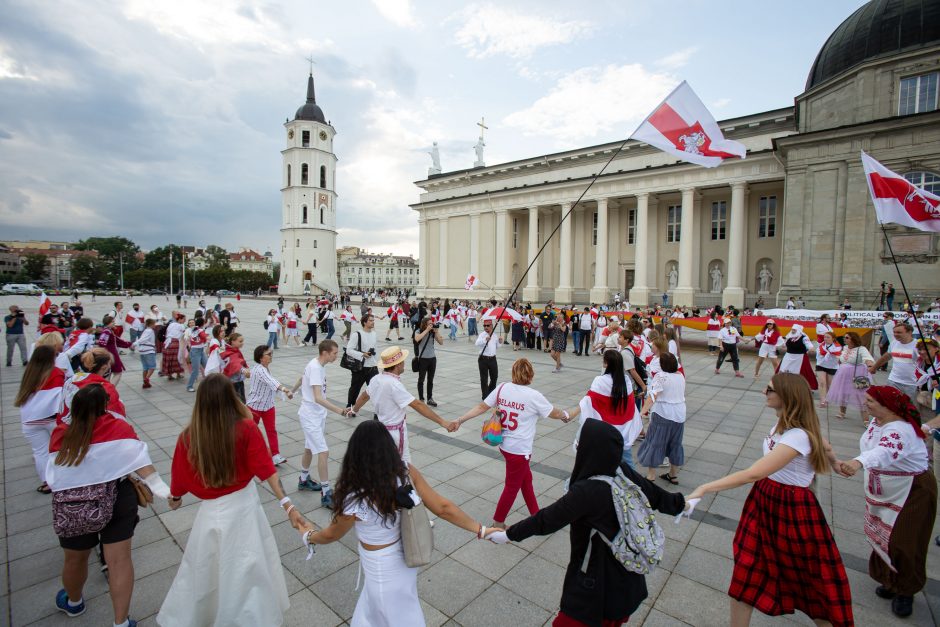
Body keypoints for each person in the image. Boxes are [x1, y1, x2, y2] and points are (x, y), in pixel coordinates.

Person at [687, 373, 853, 627]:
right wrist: (835, 462)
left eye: (770, 389)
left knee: (812, 580)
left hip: (792, 508)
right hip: (766, 500)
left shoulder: (798, 435)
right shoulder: (784, 425)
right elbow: (826, 445)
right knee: (747, 567)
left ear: (787, 396)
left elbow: (753, 473)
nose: (765, 393)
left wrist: (705, 487)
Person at [298, 421, 496, 627]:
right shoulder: (404, 471)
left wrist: (309, 535)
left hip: (381, 568)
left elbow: (332, 534)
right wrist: (481, 529)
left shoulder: (355, 493)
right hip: (404, 557)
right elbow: (442, 507)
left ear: (354, 454)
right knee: (386, 611)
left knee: (391, 615)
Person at [490, 419, 687, 626]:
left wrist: (507, 535)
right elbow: (653, 493)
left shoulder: (588, 491)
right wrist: (681, 504)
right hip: (627, 583)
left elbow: (547, 519)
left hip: (595, 587)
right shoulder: (619, 469)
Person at [158, 375, 304, 626]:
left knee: (205, 569)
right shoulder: (245, 427)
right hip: (244, 508)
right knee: (248, 566)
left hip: (210, 512)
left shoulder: (189, 436)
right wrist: (287, 505)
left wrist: (176, 497)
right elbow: (266, 469)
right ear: (231, 397)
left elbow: (179, 477)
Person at [47, 384, 170, 627]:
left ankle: (73, 602)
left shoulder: (60, 433)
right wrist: (167, 493)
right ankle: (121, 622)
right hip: (116, 497)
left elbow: (53, 475)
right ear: (105, 405)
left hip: (73, 505)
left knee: (74, 559)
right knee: (119, 561)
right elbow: (143, 467)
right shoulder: (118, 427)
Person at [837, 386, 936, 619]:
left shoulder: (900, 429)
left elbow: (885, 451)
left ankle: (906, 590)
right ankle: (890, 579)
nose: (866, 403)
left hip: (912, 491)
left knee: (905, 540)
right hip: (887, 490)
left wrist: (859, 462)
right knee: (885, 535)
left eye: (871, 401)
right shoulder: (877, 421)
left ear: (888, 406)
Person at [453, 358, 579, 528]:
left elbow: (482, 407)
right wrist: (566, 415)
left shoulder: (502, 388)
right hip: (519, 450)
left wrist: (461, 419)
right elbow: (554, 413)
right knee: (512, 486)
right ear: (531, 375)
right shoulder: (533, 396)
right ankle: (498, 522)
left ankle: (536, 515)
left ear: (513, 373)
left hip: (505, 445)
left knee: (526, 480)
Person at [350, 346, 455, 463]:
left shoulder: (376, 379)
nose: (404, 364)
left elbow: (365, 396)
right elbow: (417, 405)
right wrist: (442, 422)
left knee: (388, 463)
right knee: (403, 464)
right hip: (395, 432)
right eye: (403, 361)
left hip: (381, 429)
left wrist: (354, 410)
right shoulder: (394, 384)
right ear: (398, 364)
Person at [296, 339, 347, 507]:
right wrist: (340, 410)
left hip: (316, 415)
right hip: (311, 415)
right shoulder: (316, 368)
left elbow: (302, 377)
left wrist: (292, 390)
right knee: (323, 452)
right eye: (334, 353)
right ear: (325, 353)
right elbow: (318, 398)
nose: (336, 356)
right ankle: (326, 493)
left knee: (310, 447)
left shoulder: (315, 365)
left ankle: (303, 479)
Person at [15, 345, 65, 493]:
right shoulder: (55, 372)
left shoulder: (30, 373)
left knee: (40, 452)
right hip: (51, 418)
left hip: (30, 419)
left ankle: (47, 482)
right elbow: (61, 395)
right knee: (59, 449)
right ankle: (63, 478)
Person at [579, 350, 641, 468]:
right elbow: (630, 404)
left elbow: (588, 401)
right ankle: (633, 483)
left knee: (602, 460)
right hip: (624, 429)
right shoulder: (626, 380)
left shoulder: (600, 380)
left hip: (606, 429)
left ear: (606, 363)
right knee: (627, 461)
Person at [636, 352, 686, 485]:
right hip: (679, 414)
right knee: (675, 443)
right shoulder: (680, 376)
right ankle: (673, 475)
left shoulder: (661, 376)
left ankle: (651, 475)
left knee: (655, 441)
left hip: (663, 413)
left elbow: (653, 396)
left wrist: (641, 413)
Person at [247, 345, 293, 465]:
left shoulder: (265, 368)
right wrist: (284, 389)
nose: (271, 356)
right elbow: (271, 381)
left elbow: (270, 386)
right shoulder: (260, 370)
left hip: (268, 406)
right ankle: (244, 453)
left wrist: (284, 392)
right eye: (269, 354)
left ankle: (275, 455)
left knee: (271, 430)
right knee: (250, 432)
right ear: (261, 358)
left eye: (271, 353)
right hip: (255, 406)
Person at [61, 348, 127, 422]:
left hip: (66, 422)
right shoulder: (104, 387)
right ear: (104, 367)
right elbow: (117, 414)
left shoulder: (73, 378)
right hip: (88, 428)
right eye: (109, 363)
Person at [825, 331, 875, 421]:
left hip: (859, 374)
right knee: (843, 393)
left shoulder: (861, 349)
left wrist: (870, 365)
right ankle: (842, 412)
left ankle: (866, 420)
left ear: (853, 339)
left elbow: (867, 358)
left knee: (861, 395)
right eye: (844, 337)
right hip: (844, 374)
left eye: (847, 338)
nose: (844, 339)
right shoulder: (845, 347)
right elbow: (842, 359)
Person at [869, 322, 919, 403]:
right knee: (891, 405)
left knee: (909, 407)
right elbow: (886, 357)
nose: (895, 334)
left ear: (909, 332)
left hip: (912, 383)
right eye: (894, 332)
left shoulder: (918, 345)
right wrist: (874, 367)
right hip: (893, 380)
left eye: (899, 332)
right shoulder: (893, 343)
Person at [344, 313, 379, 409]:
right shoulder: (357, 334)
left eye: (373, 320)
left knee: (376, 390)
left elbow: (376, 349)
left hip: (372, 367)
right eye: (370, 320)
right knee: (355, 389)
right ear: (364, 322)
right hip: (360, 367)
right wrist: (362, 354)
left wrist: (377, 362)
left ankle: (377, 412)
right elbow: (349, 350)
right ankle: (350, 407)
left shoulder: (374, 334)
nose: (373, 322)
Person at [413, 316, 443, 406]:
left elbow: (441, 342)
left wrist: (436, 332)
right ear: (425, 324)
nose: (431, 325)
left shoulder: (433, 332)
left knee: (430, 380)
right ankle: (421, 399)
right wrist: (426, 330)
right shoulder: (419, 331)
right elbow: (417, 339)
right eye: (429, 323)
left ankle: (430, 398)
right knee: (421, 379)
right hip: (423, 359)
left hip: (432, 358)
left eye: (432, 323)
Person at [97, 315, 133, 386]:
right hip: (111, 354)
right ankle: (110, 388)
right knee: (117, 372)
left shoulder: (108, 331)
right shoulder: (107, 331)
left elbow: (117, 340)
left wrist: (128, 344)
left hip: (109, 354)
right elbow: (102, 343)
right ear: (108, 323)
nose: (114, 323)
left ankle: (106, 389)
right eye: (112, 322)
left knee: (108, 372)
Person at [778, 324, 818, 390]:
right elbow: (784, 344)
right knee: (784, 369)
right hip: (788, 356)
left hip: (800, 357)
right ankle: (784, 385)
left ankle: (804, 387)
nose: (793, 331)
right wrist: (783, 345)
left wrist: (811, 348)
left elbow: (808, 344)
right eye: (792, 329)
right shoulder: (790, 336)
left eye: (794, 330)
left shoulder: (804, 337)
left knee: (802, 372)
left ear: (798, 330)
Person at [219, 332, 249, 402]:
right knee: (239, 402)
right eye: (240, 341)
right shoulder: (230, 352)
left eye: (243, 341)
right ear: (233, 342)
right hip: (234, 382)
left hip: (235, 380)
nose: (242, 343)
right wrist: (244, 371)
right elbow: (234, 363)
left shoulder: (232, 350)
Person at [476, 318, 501, 399]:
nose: (486, 327)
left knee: (494, 377)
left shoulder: (494, 335)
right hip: (483, 359)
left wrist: (500, 342)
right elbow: (477, 344)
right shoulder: (482, 335)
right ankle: (485, 396)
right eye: (484, 326)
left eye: (488, 326)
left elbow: (497, 346)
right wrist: (484, 340)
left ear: (492, 326)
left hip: (493, 359)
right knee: (484, 379)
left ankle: (490, 393)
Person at [815, 331, 841, 408]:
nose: (825, 339)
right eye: (825, 337)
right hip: (821, 365)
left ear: (833, 339)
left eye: (828, 337)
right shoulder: (821, 346)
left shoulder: (837, 347)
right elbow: (820, 354)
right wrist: (828, 353)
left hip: (832, 366)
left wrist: (830, 353)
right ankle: (823, 400)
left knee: (830, 384)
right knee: (822, 383)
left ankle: (828, 398)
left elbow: (838, 355)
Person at [161, 313, 186, 381]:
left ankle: (170, 375)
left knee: (169, 358)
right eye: (184, 319)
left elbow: (166, 333)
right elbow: (184, 334)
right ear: (180, 319)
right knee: (176, 358)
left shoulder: (171, 324)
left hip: (167, 342)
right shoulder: (181, 325)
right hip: (174, 342)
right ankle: (178, 374)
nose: (185, 320)